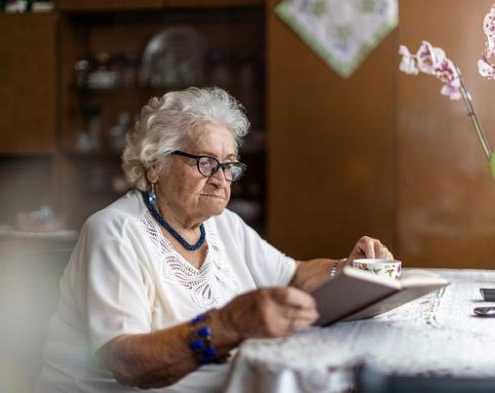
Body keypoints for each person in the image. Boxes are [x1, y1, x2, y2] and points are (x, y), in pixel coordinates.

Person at [35, 87, 394, 393]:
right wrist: (228, 326)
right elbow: (129, 364)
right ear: (155, 165)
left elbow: (294, 275)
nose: (222, 179)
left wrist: (350, 270)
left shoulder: (224, 225)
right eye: (205, 162)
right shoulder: (114, 231)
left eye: (229, 165)